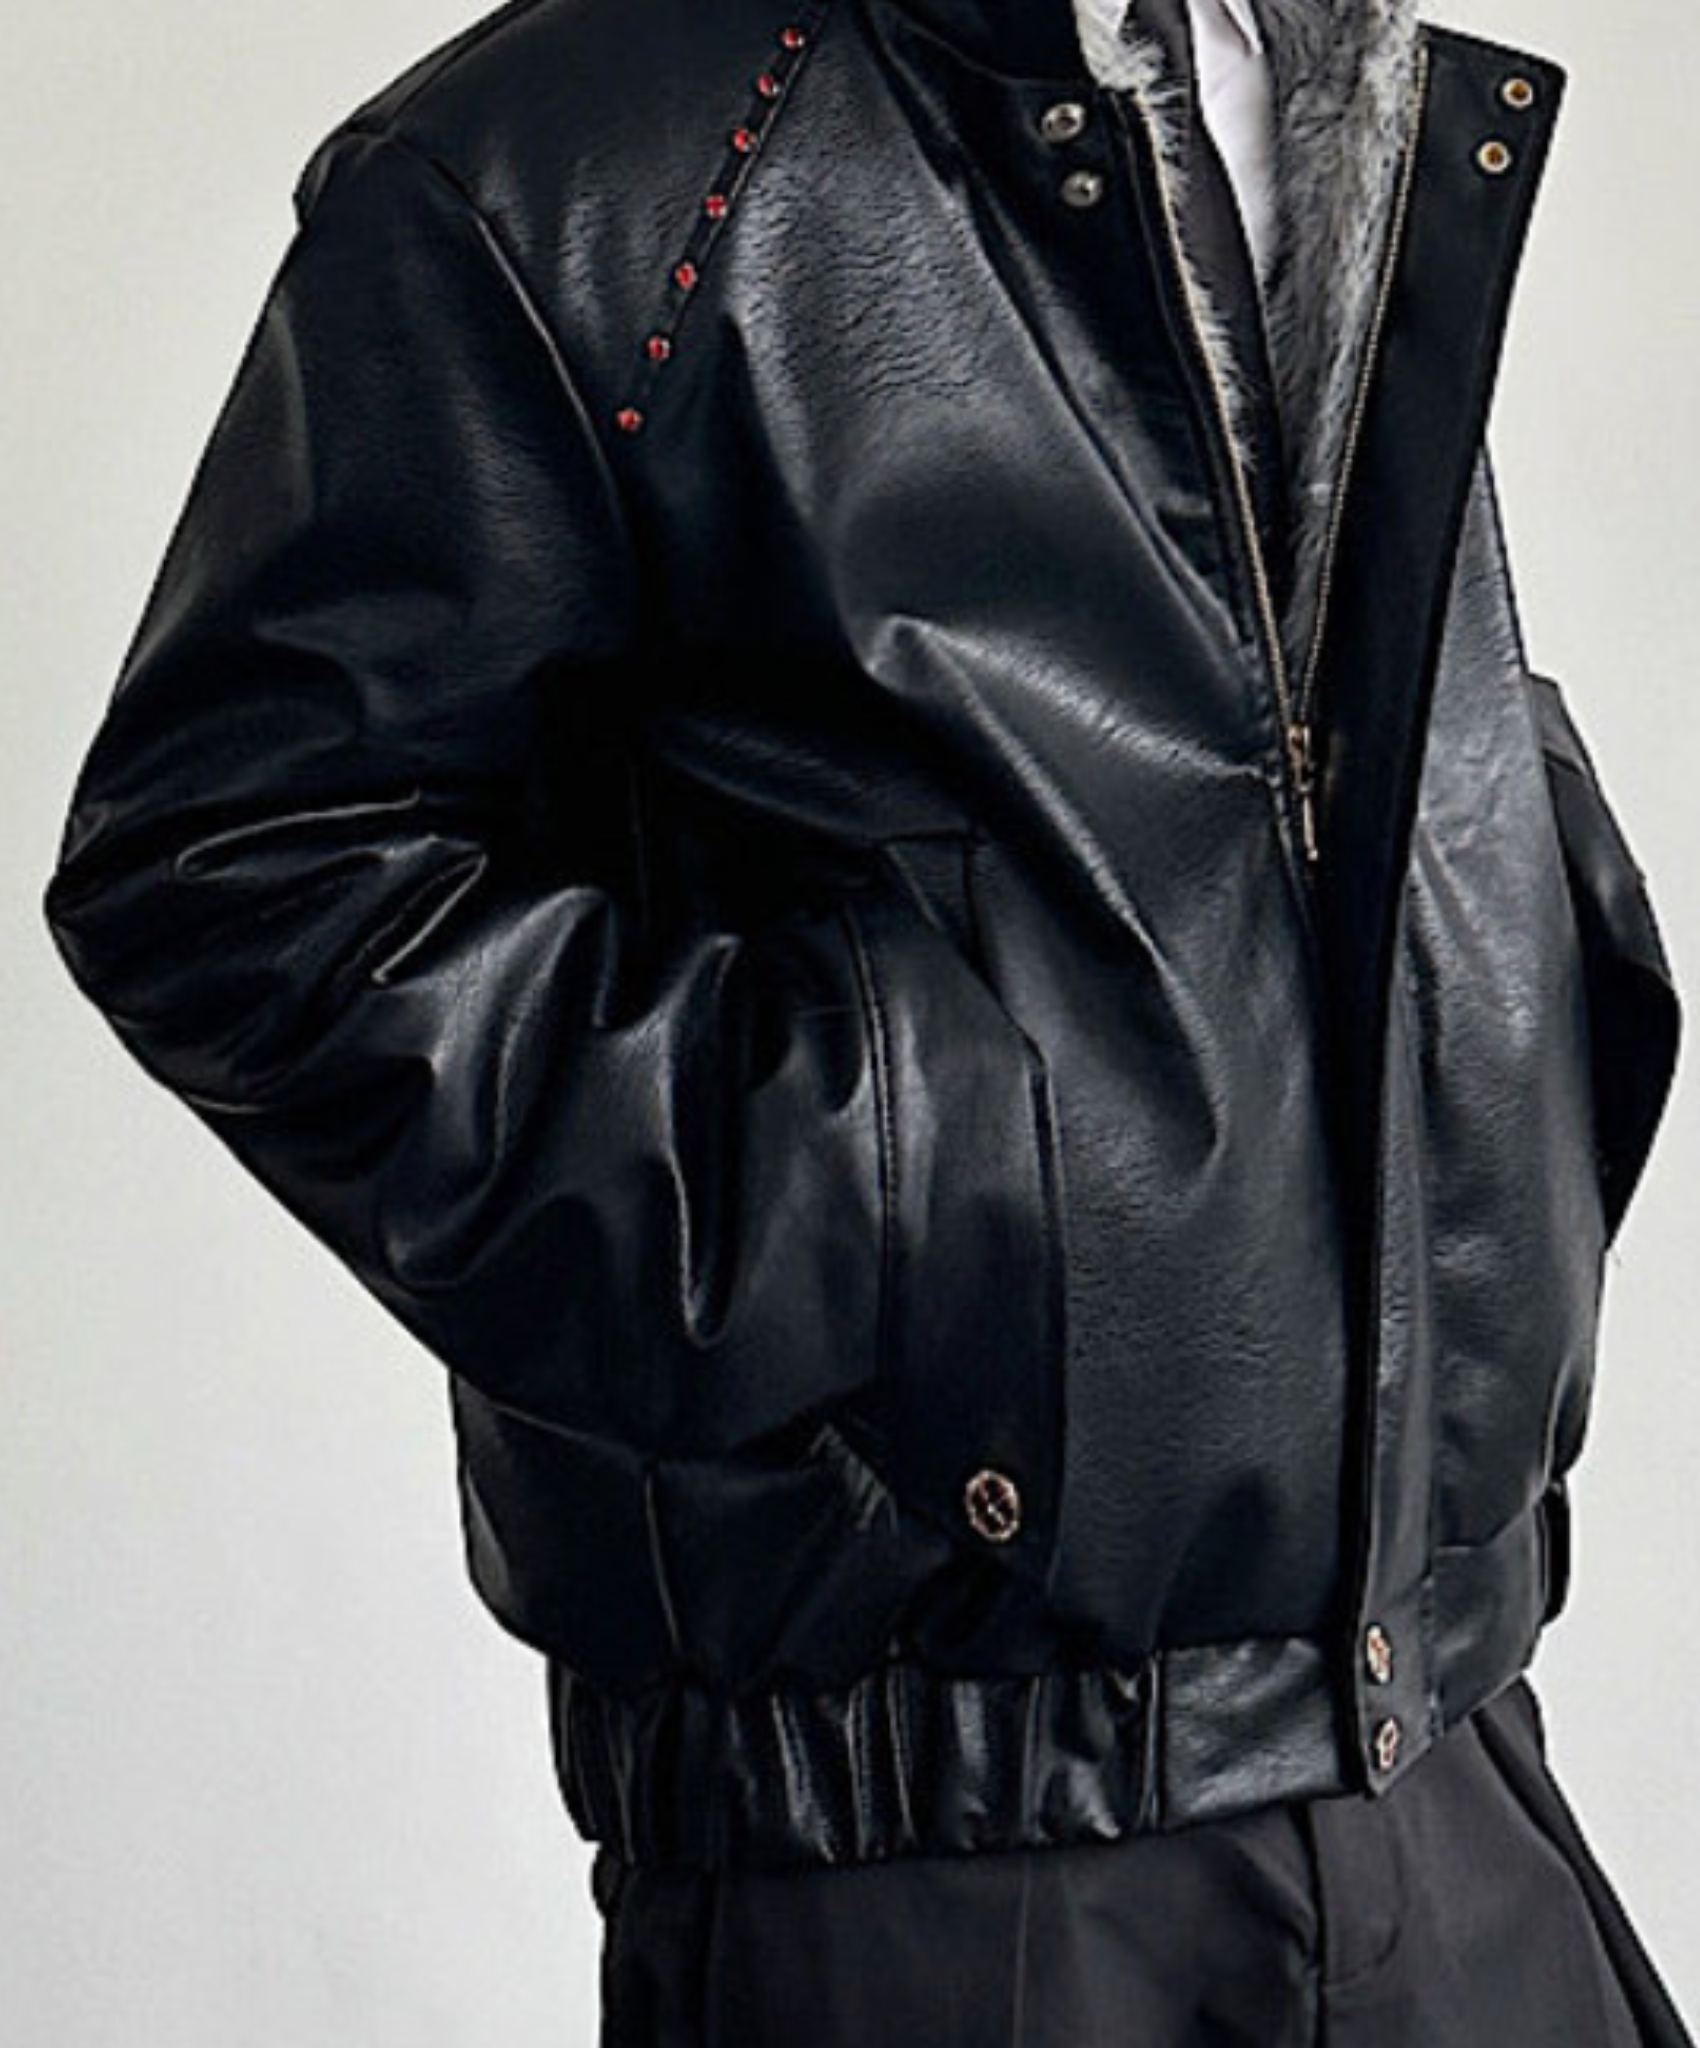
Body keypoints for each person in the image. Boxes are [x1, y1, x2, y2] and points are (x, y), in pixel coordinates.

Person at [40, 0, 1692, 2038]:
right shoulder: (570, 168)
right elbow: (229, 864)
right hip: (940, 1875)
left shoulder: (1338, 77)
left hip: (1454, 1765)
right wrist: (881, 1205)